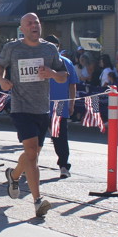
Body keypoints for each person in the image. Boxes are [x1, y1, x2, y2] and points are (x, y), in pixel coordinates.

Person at [0, 13, 68, 217]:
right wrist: (1, 80)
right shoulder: (12, 48)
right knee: (32, 154)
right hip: (21, 107)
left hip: (42, 108)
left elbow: (63, 76)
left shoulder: (49, 49)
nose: (34, 25)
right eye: (29, 23)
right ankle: (37, 201)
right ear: (22, 29)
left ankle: (14, 175)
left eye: (36, 22)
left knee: (31, 154)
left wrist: (52, 74)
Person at [44, 35, 77, 179]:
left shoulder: (66, 62)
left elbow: (72, 84)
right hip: (40, 104)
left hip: (59, 104)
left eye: (54, 46)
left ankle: (63, 165)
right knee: (36, 138)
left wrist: (72, 103)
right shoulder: (40, 62)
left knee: (60, 137)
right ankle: (30, 165)